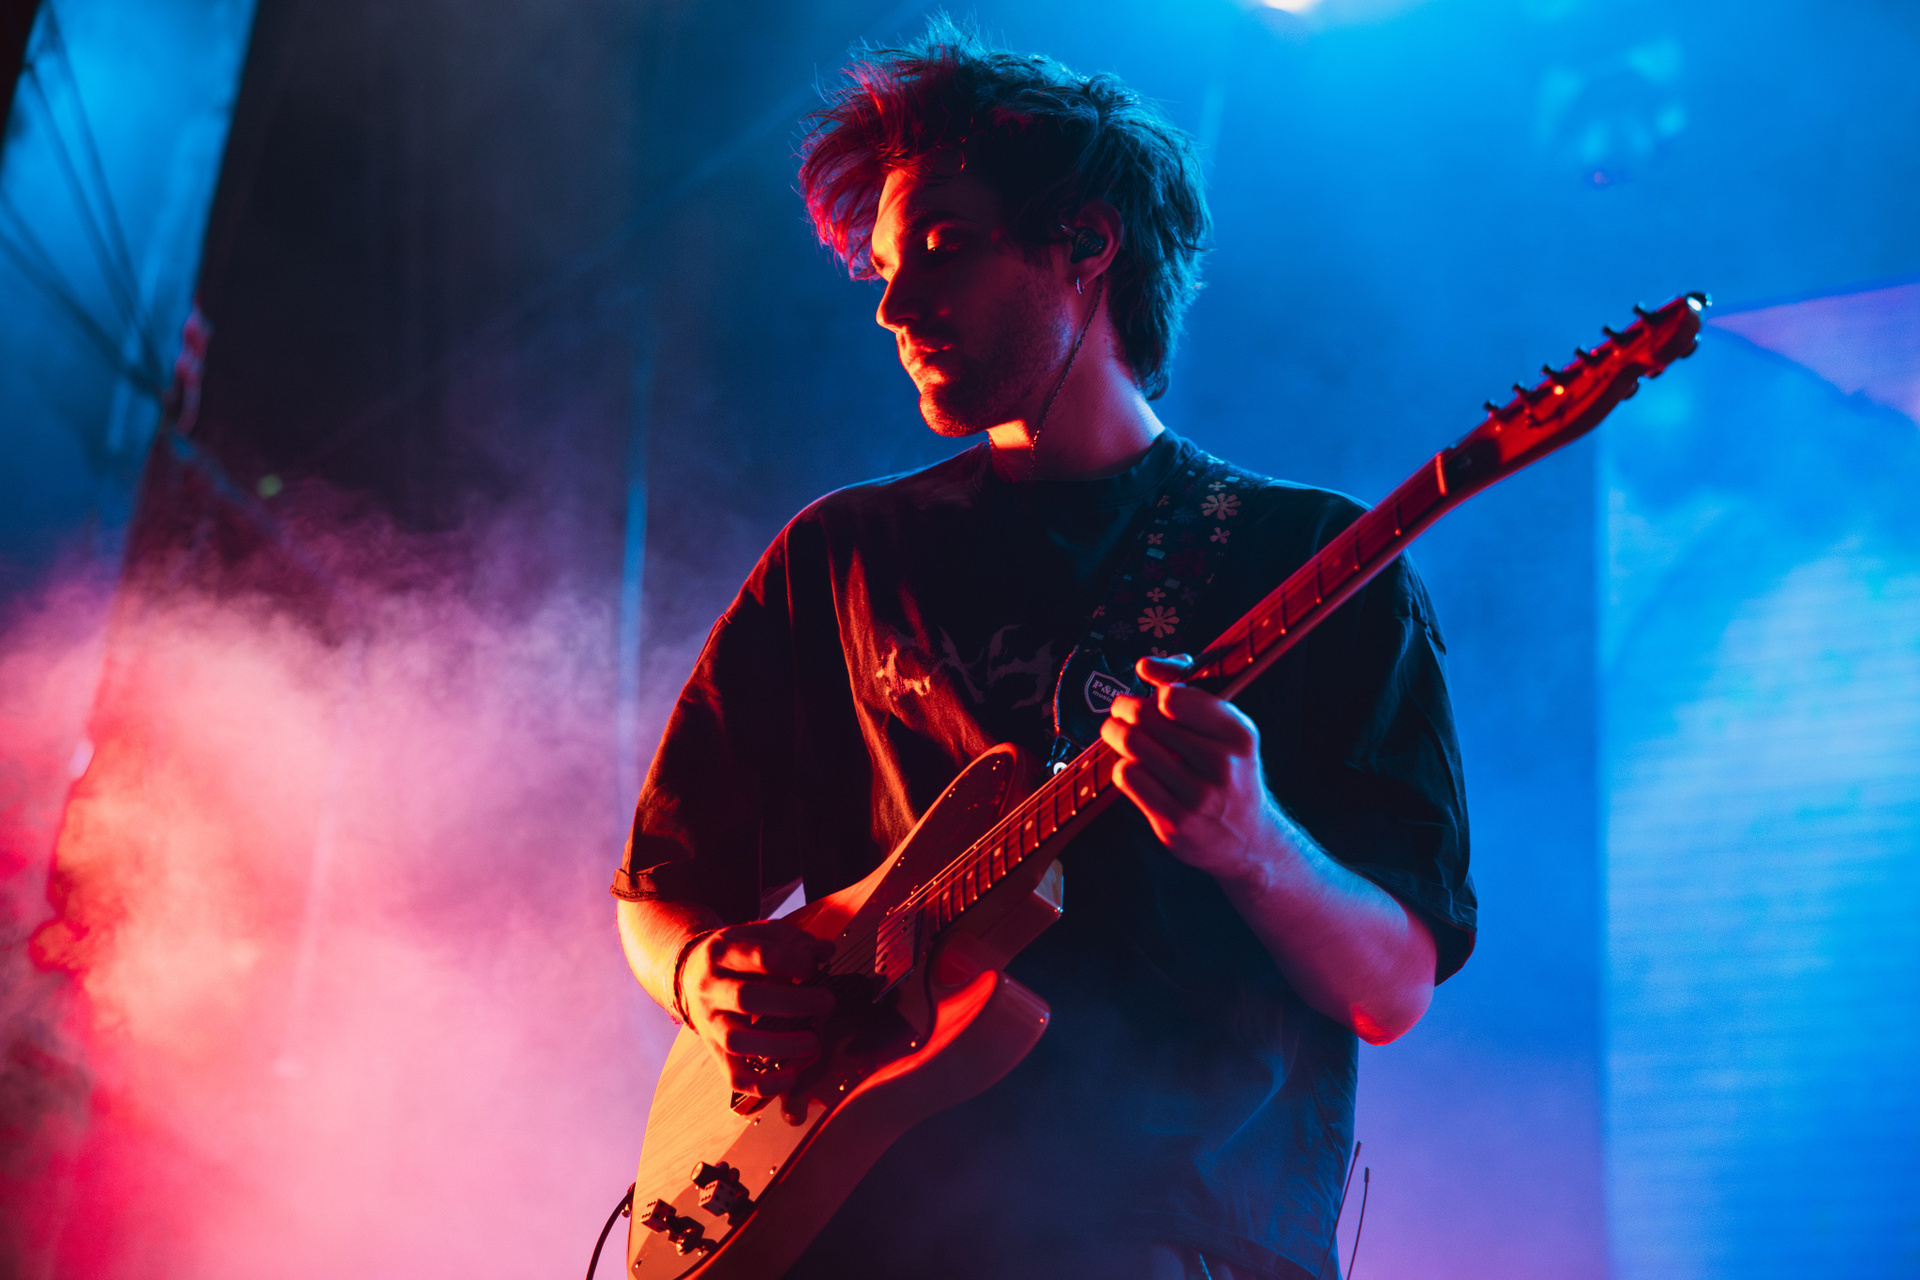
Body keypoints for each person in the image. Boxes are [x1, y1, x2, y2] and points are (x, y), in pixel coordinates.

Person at [612, 21, 1473, 1280]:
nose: (894, 306)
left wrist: (1250, 840)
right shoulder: (841, 556)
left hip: (1169, 1239)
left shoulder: (1310, 559)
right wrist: (703, 974)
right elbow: (658, 886)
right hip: (846, 1231)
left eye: (943, 248)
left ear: (1085, 243)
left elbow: (1390, 989)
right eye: (885, 270)